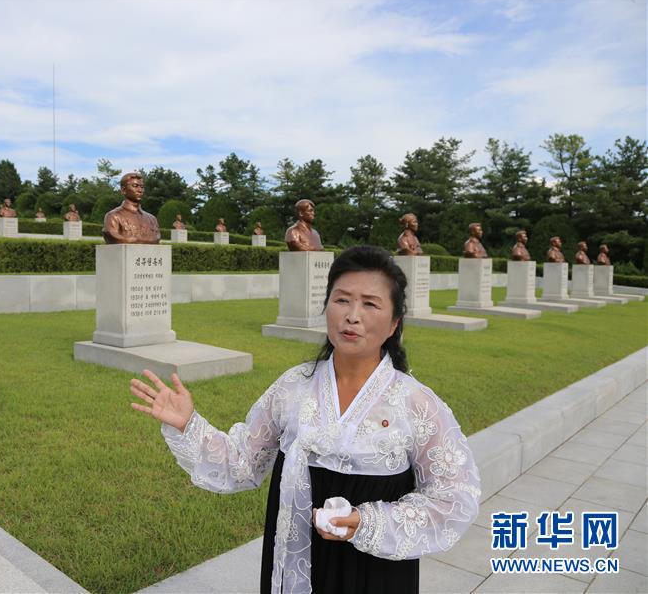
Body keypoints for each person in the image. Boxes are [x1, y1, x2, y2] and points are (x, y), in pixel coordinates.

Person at [130, 246, 480, 592]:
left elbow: (454, 497)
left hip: (374, 573)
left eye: (370, 304)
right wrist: (188, 423)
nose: (352, 315)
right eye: (342, 300)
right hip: (295, 560)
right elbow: (243, 464)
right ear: (326, 306)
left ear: (393, 324)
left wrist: (367, 523)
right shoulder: (292, 388)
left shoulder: (415, 402)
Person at [102, 172, 160, 244]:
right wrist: (143, 240)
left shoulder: (152, 219)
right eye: (135, 186)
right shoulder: (113, 216)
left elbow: (157, 238)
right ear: (123, 190)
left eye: (142, 187)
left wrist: (136, 240)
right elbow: (112, 236)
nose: (140, 190)